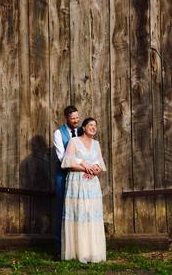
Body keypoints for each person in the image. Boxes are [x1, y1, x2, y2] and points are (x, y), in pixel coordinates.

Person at [61, 117, 106, 263]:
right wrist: (84, 167)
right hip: (77, 182)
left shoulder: (96, 144)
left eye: (95, 126)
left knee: (91, 215)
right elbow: (68, 162)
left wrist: (94, 171)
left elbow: (100, 164)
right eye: (90, 125)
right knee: (79, 214)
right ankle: (78, 252)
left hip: (92, 184)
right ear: (84, 127)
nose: (93, 128)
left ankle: (93, 252)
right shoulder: (74, 142)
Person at [52, 105, 82, 254]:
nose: (76, 121)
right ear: (66, 118)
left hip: (80, 176)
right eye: (73, 119)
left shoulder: (83, 131)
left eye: (77, 117)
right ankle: (59, 249)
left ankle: (78, 247)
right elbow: (62, 158)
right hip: (63, 175)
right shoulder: (59, 133)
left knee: (79, 209)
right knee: (61, 210)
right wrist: (81, 165)